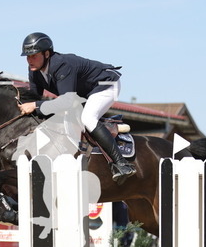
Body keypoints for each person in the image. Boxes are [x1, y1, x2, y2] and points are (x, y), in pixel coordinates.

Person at [17, 32, 136, 185]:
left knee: (88, 119)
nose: (29, 60)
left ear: (46, 54)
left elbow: (66, 101)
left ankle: (122, 164)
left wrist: (35, 105)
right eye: (27, 57)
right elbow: (34, 96)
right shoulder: (34, 70)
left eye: (34, 56)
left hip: (105, 85)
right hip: (84, 93)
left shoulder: (61, 65)